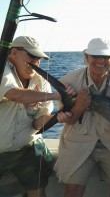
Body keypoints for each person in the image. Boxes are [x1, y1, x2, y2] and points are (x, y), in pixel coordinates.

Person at [54, 38, 110, 197]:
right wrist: (79, 106)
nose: (101, 61)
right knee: (73, 190)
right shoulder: (69, 81)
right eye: (95, 56)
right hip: (78, 142)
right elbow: (68, 120)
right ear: (86, 57)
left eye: (106, 57)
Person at [0, 36, 73, 197]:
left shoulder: (42, 82)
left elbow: (37, 124)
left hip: (26, 149)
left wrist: (58, 119)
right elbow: (14, 94)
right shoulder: (2, 69)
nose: (36, 62)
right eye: (31, 56)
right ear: (13, 53)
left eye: (38, 58)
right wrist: (56, 96)